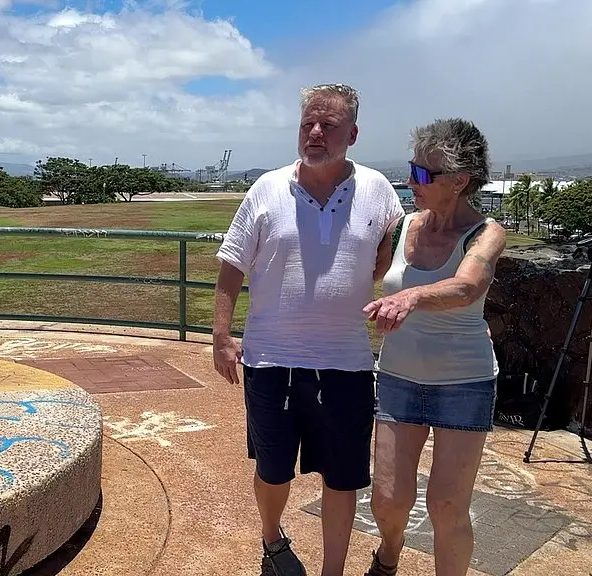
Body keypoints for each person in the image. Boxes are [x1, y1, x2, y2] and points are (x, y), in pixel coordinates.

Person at [212, 83, 406, 576]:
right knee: (272, 470)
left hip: (347, 364)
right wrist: (221, 336)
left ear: (352, 134)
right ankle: (272, 538)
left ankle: (331, 570)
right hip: (270, 360)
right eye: (307, 124)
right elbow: (232, 264)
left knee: (342, 479)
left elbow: (391, 254)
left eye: (328, 125)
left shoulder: (379, 190)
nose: (315, 133)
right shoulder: (266, 188)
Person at [361, 118, 505, 576]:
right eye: (412, 168)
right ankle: (389, 552)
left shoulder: (486, 233)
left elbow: (467, 287)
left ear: (459, 181)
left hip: (464, 383)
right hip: (399, 378)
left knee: (447, 505)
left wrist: (411, 297)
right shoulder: (402, 227)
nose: (411, 181)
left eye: (423, 173)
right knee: (387, 498)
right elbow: (360, 270)